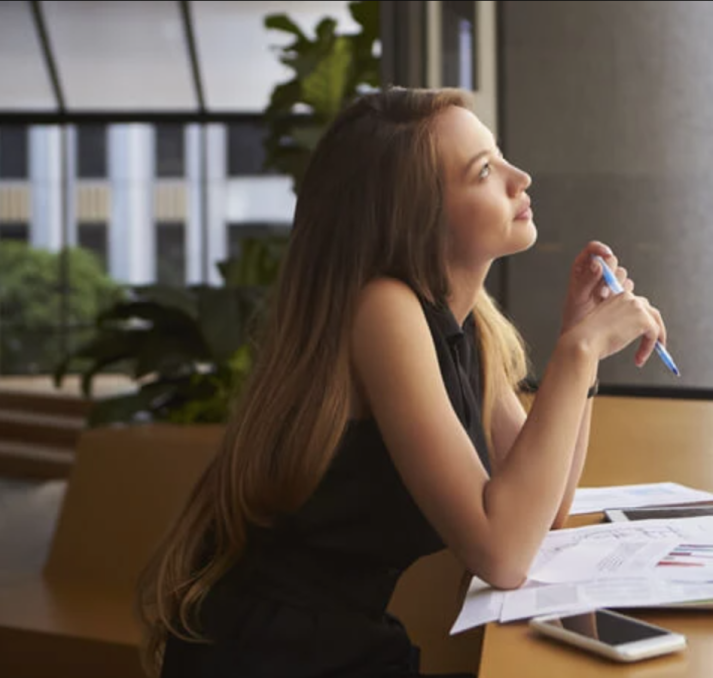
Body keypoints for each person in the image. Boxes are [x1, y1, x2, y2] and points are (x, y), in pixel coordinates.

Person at [137, 86, 669, 678]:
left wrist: (583, 345)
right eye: (485, 171)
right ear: (418, 216)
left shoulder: (470, 327)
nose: (521, 178)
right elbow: (503, 554)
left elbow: (542, 513)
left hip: (344, 638)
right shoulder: (383, 310)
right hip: (271, 652)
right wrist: (579, 350)